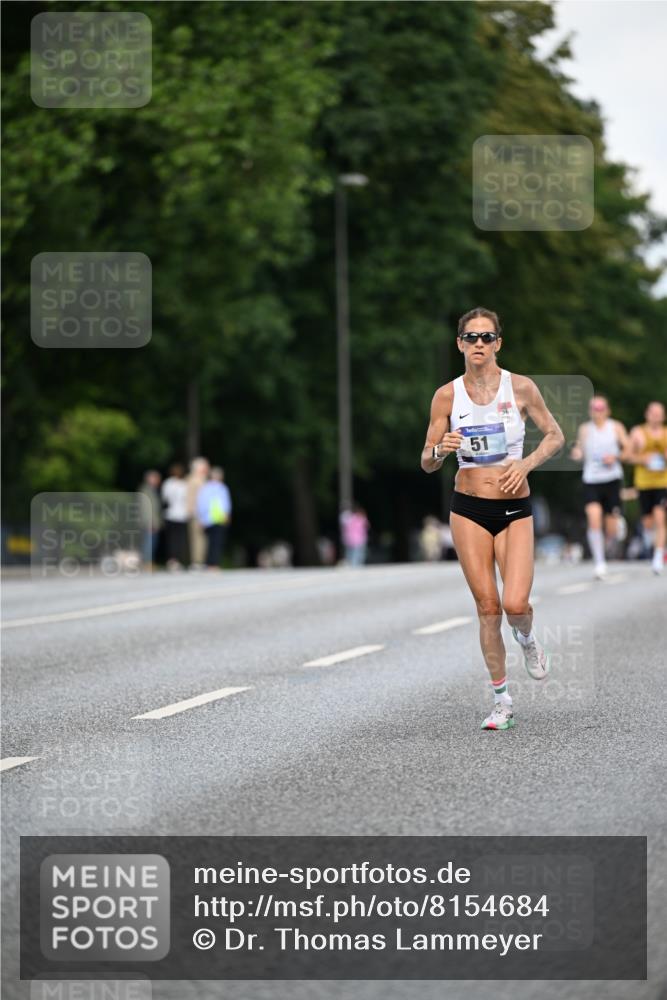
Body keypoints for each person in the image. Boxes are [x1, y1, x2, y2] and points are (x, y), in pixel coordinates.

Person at [421, 306, 565, 732]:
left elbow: (555, 435)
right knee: (488, 607)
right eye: (471, 337)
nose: (479, 344)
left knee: (515, 604)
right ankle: (502, 701)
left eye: (486, 337)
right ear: (460, 344)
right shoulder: (446, 396)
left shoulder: (520, 387)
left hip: (515, 508)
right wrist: (440, 450)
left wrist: (526, 464)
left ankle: (527, 638)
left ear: (498, 343)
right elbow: (427, 460)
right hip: (468, 508)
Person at [571, 396, 630, 579]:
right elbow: (579, 448)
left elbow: (628, 450)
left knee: (611, 529)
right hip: (591, 480)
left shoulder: (616, 427)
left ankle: (617, 526)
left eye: (601, 408)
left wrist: (616, 457)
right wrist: (577, 452)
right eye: (594, 408)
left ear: (608, 410)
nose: (597, 412)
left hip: (612, 479)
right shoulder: (585, 429)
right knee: (593, 517)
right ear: (590, 411)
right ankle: (599, 562)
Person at [628, 401, 667, 575]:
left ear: (663, 416)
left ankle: (658, 556)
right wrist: (643, 458)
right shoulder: (638, 433)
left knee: (660, 517)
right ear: (647, 414)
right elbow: (627, 456)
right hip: (643, 483)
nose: (656, 416)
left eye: (659, 413)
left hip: (662, 482)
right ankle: (652, 545)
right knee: (648, 522)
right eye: (653, 413)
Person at [196, 466, 232, 570]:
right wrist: (201, 518)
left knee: (215, 542)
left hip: (217, 518)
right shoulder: (208, 488)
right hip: (210, 519)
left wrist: (227, 515)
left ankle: (213, 563)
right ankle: (211, 563)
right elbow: (202, 504)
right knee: (212, 542)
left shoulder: (221, 488)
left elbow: (226, 503)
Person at [161, 463, 189, 570]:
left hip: (173, 514)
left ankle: (173, 560)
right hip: (179, 515)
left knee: (173, 539)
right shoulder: (183, 484)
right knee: (178, 539)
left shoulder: (168, 483)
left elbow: (165, 498)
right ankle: (175, 560)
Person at [186, 456, 210, 570]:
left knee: (202, 539)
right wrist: (193, 511)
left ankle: (201, 560)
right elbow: (190, 498)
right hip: (197, 513)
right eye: (205, 467)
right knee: (197, 538)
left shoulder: (203, 480)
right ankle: (196, 561)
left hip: (204, 514)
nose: (207, 469)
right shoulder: (194, 480)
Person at [138, 469, 163, 568]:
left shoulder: (153, 490)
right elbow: (145, 508)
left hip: (154, 521)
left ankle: (149, 561)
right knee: (148, 542)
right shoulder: (146, 490)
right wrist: (149, 521)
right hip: (149, 522)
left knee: (152, 542)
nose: (157, 480)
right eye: (155, 478)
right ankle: (146, 562)